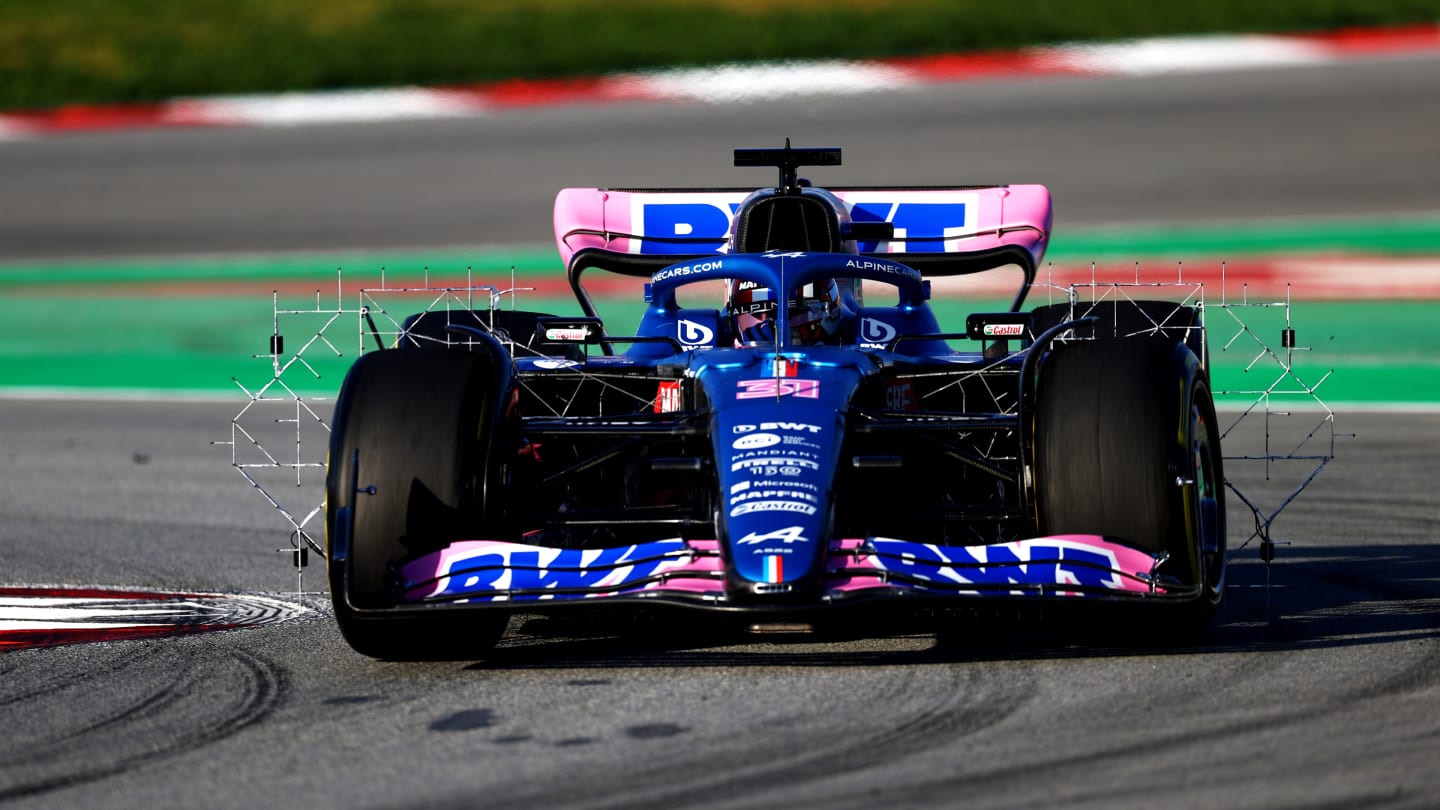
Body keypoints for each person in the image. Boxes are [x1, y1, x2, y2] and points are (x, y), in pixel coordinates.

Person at [728, 277, 854, 346]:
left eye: (793, 315)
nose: (776, 330)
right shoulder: (725, 331)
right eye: (756, 312)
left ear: (831, 313)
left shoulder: (855, 330)